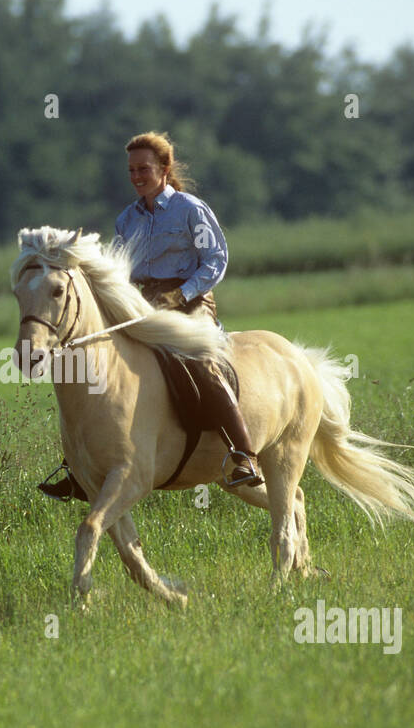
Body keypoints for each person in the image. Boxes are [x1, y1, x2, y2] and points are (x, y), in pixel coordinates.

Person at [38, 131, 264, 501]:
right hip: (141, 303)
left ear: (164, 168)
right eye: (131, 170)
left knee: (202, 361)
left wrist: (181, 293)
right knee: (98, 362)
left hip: (191, 302)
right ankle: (80, 466)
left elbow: (216, 260)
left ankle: (244, 455)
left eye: (144, 168)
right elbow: (120, 271)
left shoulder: (190, 209)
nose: (137, 176)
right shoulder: (127, 219)